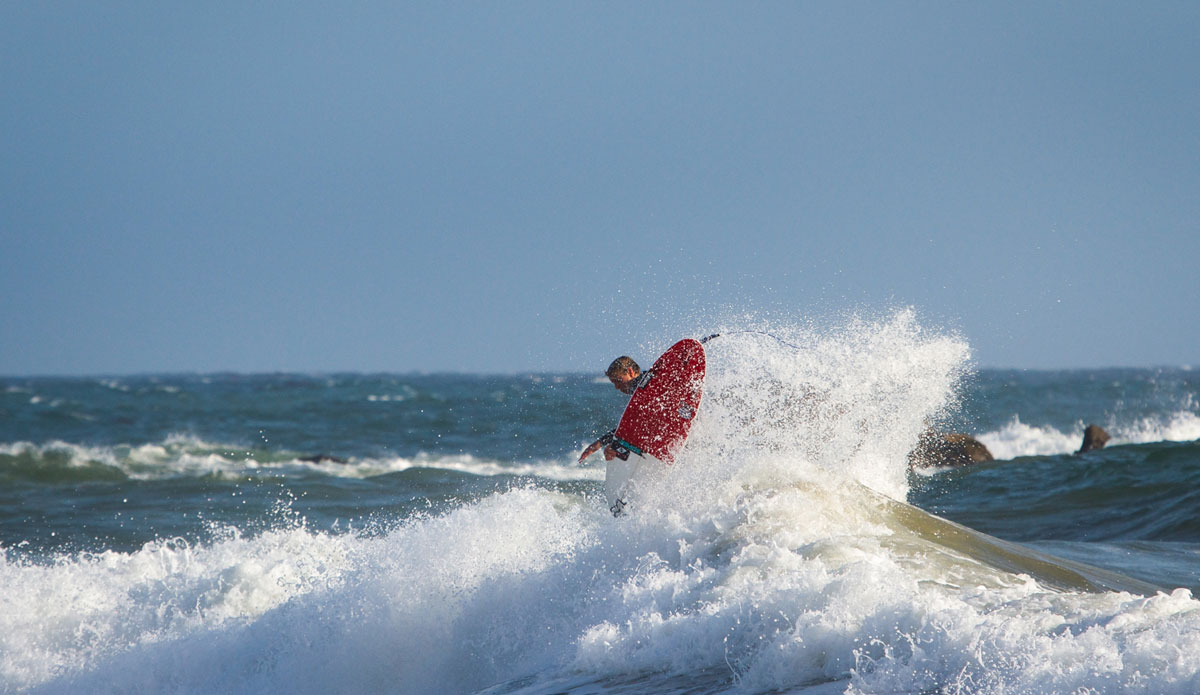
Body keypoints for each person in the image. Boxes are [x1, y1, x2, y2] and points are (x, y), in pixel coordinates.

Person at [578, 356, 644, 462]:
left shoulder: (648, 385)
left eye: (618, 380)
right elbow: (635, 424)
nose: (617, 387)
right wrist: (604, 444)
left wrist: (610, 445)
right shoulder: (640, 394)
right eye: (614, 383)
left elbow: (636, 424)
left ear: (630, 372)